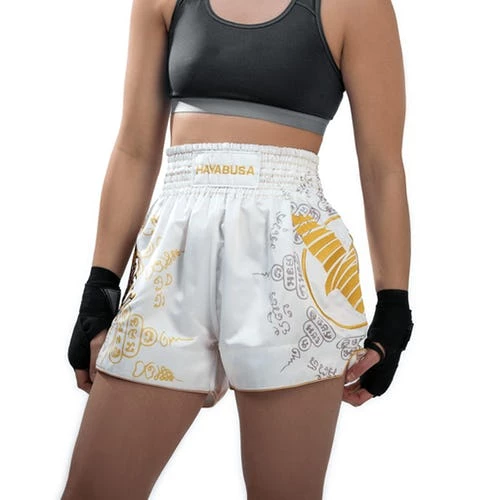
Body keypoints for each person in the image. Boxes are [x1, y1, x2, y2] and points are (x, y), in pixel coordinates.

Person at [62, 0, 414, 498]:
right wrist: (100, 285)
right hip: (173, 254)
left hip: (291, 260)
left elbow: (382, 168)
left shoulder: (355, 7)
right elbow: (135, 149)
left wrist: (395, 307)